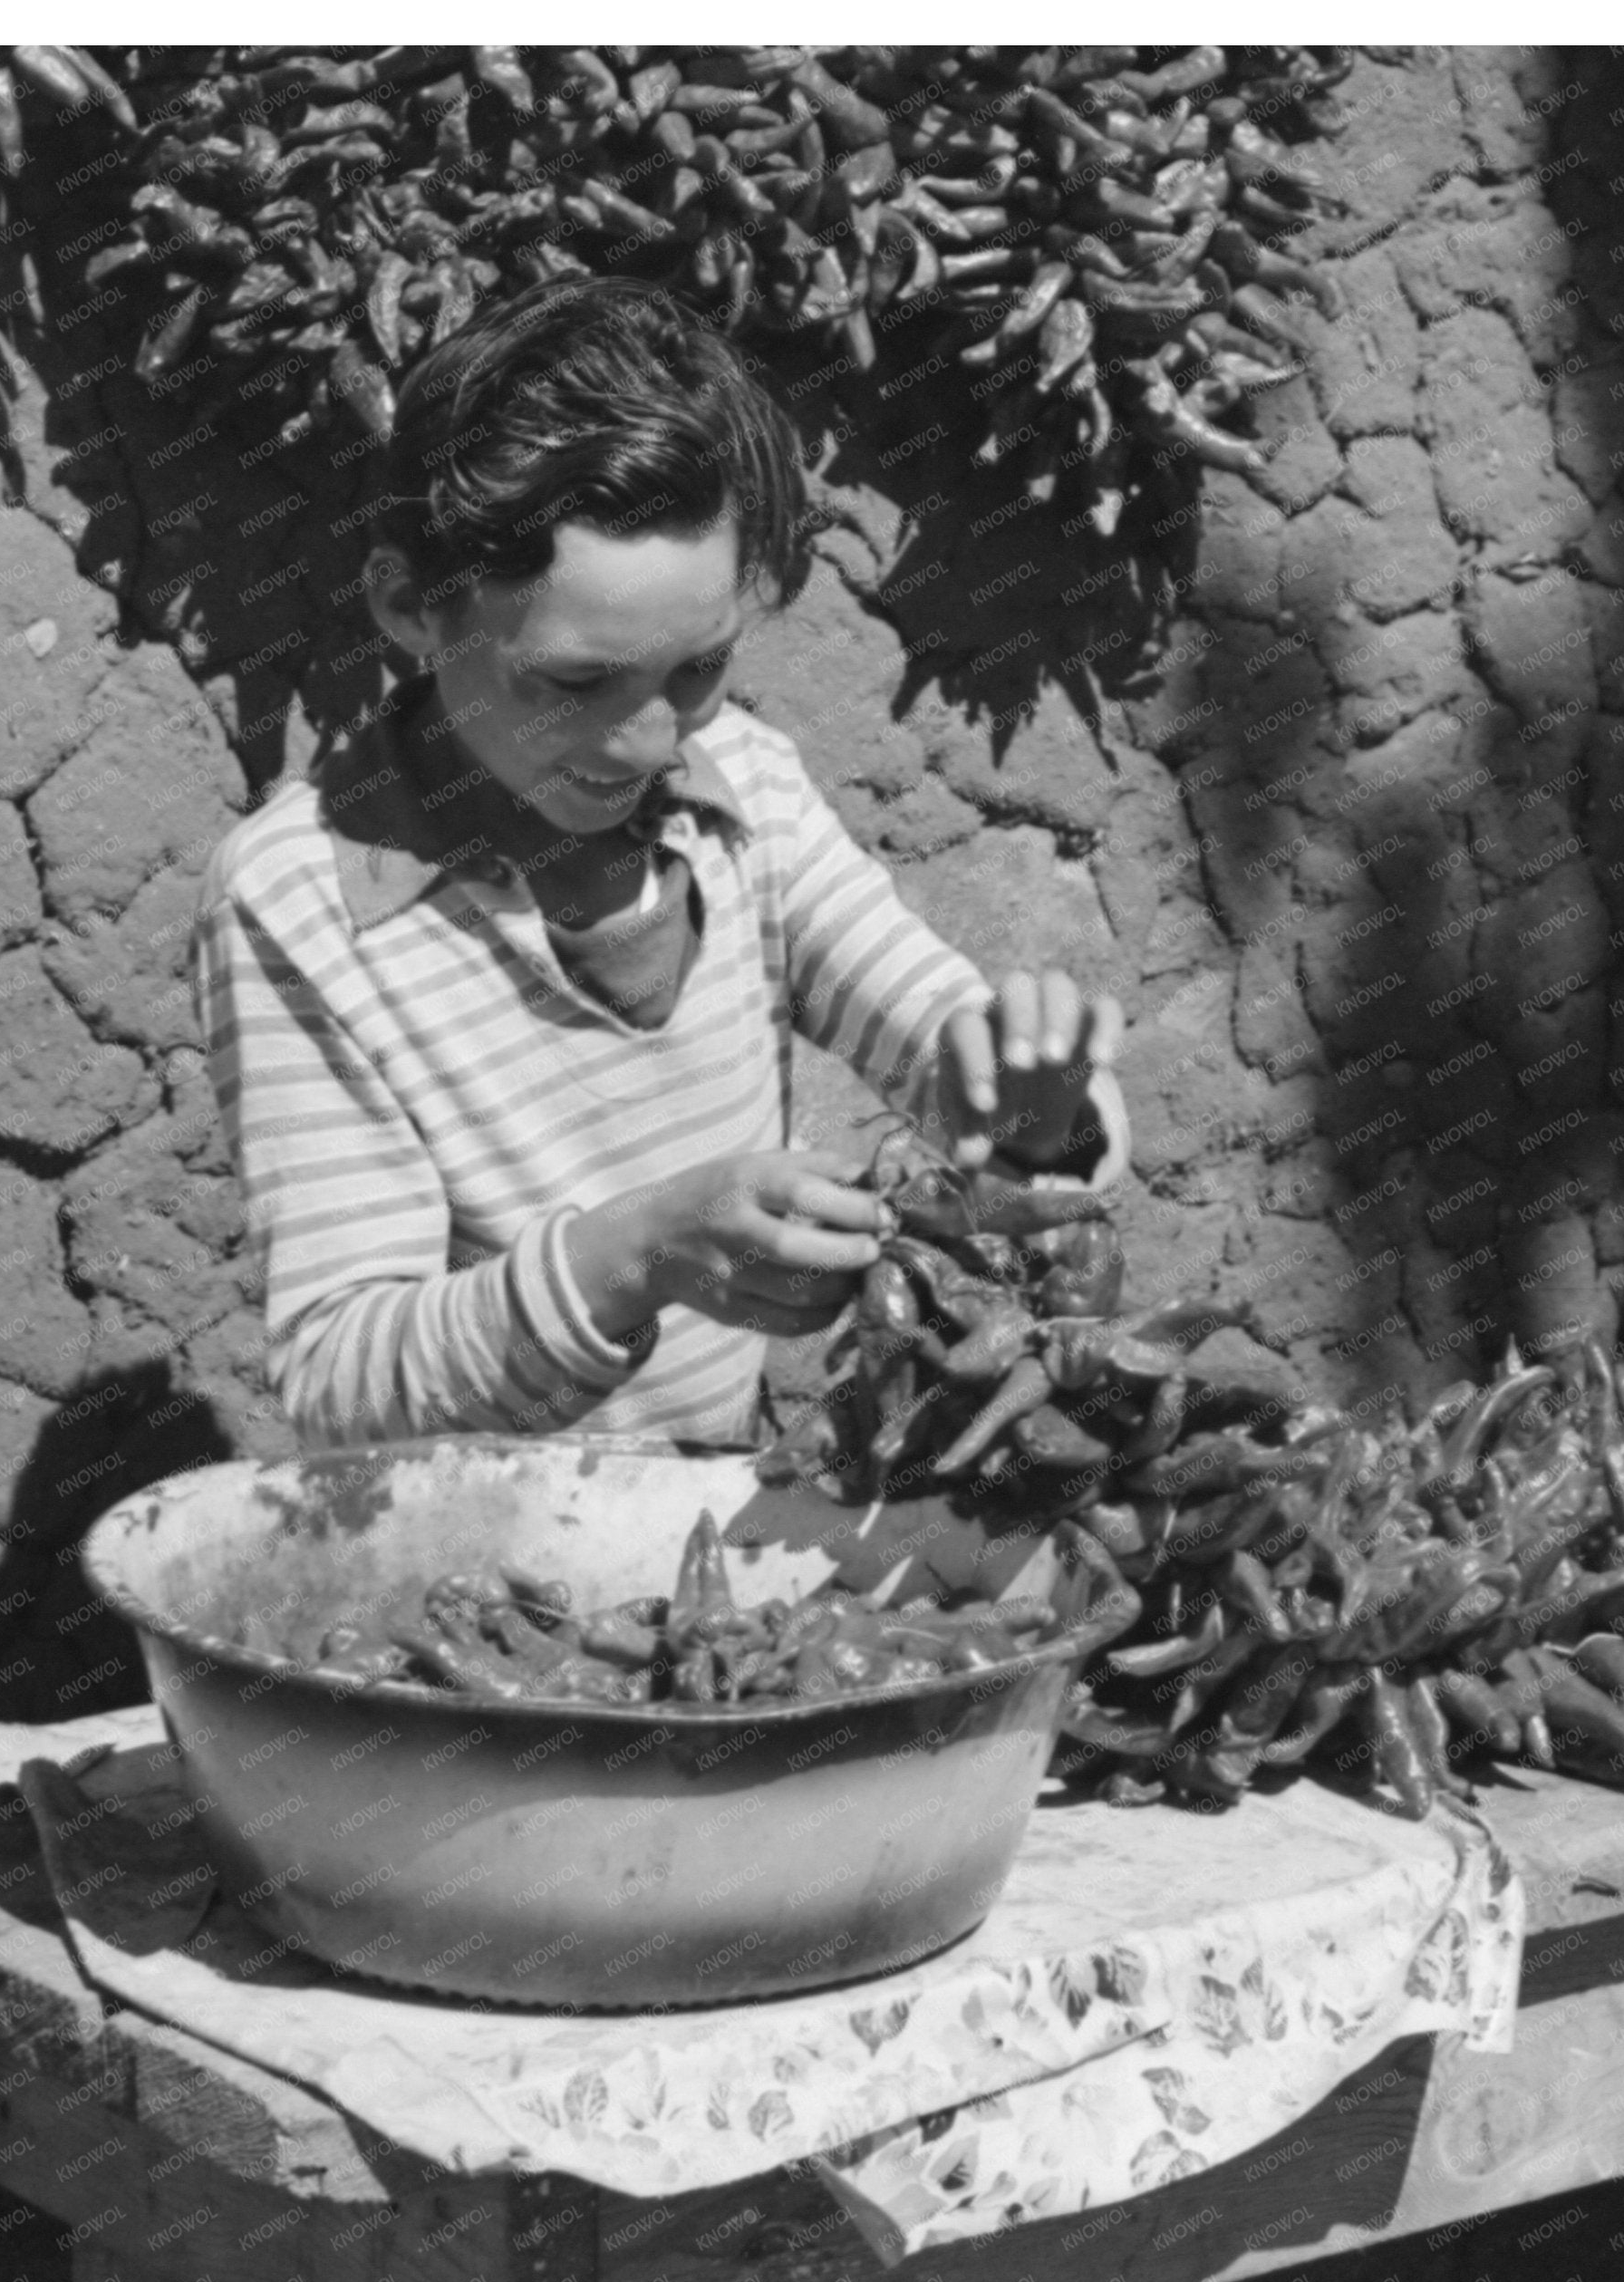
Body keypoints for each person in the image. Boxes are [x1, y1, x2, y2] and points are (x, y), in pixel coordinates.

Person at [191, 276, 1131, 1449]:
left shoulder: (742, 796)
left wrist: (1030, 1105)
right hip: (456, 1572)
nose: (647, 742)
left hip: (691, 1527)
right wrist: (633, 1259)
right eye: (572, 683)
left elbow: (933, 1033)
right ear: (409, 607)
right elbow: (343, 1376)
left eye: (696, 670)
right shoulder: (303, 903)